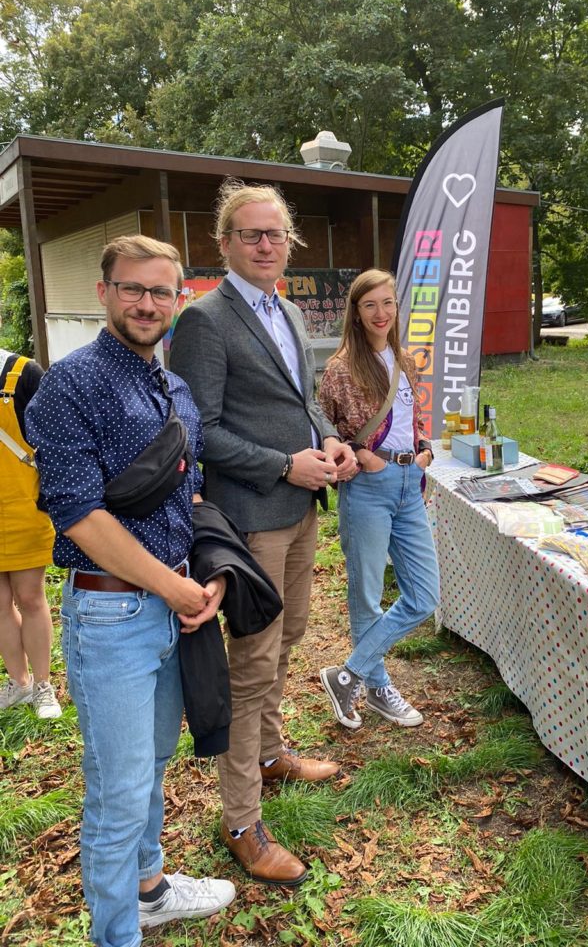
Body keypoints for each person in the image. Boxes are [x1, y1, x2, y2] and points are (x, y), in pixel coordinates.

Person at [25, 235, 236, 947]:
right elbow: (80, 514)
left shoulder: (173, 388)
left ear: (180, 298)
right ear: (105, 294)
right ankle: (116, 935)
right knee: (116, 795)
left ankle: (149, 890)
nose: (147, 304)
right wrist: (175, 588)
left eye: (161, 291)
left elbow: (190, 493)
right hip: (112, 611)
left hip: (174, 607)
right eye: (132, 289)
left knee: (148, 767)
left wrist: (205, 574)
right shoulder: (70, 385)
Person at [169, 180, 357, 886]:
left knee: (291, 636)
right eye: (251, 234)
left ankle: (272, 755)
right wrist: (286, 464)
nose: (266, 244)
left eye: (275, 233)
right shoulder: (205, 321)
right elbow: (200, 432)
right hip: (249, 518)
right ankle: (241, 821)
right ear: (224, 244)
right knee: (251, 669)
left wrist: (331, 441)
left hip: (301, 509)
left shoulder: (284, 308)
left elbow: (302, 403)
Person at [317, 268, 440, 730]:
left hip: (410, 484)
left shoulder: (406, 360)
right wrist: (364, 457)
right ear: (356, 311)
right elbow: (322, 426)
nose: (381, 313)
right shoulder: (341, 367)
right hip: (369, 487)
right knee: (367, 594)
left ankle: (348, 674)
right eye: (370, 304)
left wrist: (424, 449)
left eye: (388, 303)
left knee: (424, 596)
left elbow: (413, 416)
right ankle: (377, 687)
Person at [0, 348, 60, 719]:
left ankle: (43, 685)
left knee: (31, 597)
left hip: (22, 507)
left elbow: (54, 442)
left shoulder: (24, 374)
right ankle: (18, 683)